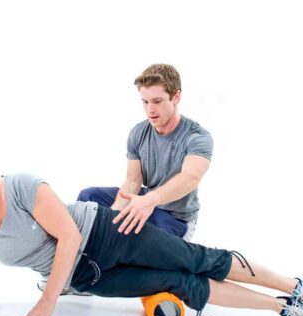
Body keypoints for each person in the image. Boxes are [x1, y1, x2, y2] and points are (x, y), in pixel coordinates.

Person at [0, 137, 303, 316]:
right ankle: (283, 308)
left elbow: (69, 238)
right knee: (181, 284)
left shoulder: (20, 186)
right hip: (92, 279)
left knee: (197, 259)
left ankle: (296, 285)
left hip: (105, 233)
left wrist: (48, 301)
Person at [77, 63, 212, 242]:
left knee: (132, 234)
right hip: (146, 199)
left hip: (175, 218)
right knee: (89, 198)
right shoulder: (138, 132)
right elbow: (133, 181)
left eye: (157, 101)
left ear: (176, 97)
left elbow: (190, 177)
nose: (150, 110)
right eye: (145, 102)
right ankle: (84, 248)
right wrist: (111, 218)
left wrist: (150, 200)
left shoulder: (197, 136)